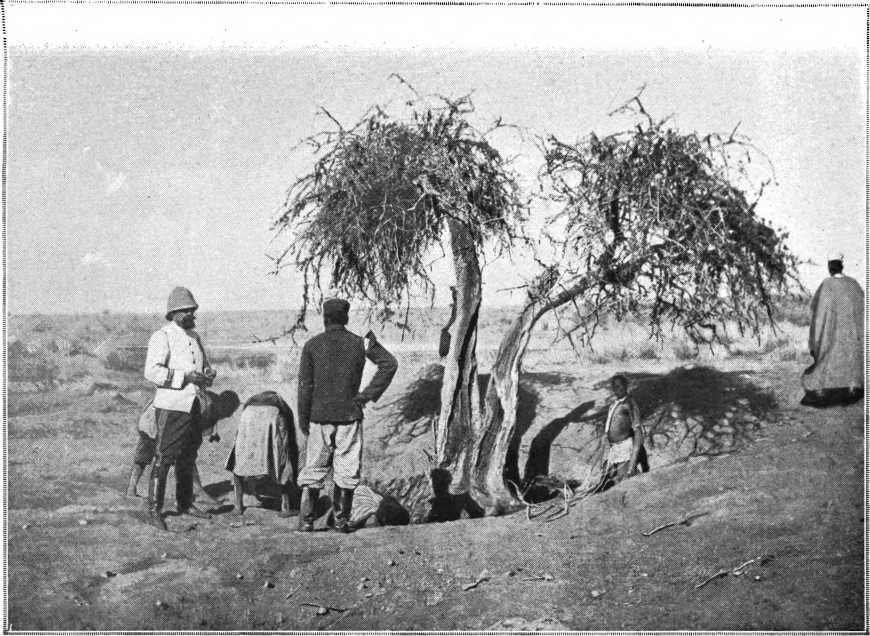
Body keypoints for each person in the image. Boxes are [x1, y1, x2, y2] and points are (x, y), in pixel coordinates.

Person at [296, 297, 398, 533]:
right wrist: (366, 396)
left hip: (319, 417)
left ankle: (307, 520)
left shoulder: (312, 345)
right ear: (346, 318)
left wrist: (303, 418)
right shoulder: (360, 343)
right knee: (347, 469)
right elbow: (390, 364)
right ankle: (342, 521)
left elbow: (304, 386)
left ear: (325, 319)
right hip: (349, 416)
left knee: (314, 468)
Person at [143, 286, 217, 530]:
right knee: (164, 457)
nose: (191, 314)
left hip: (193, 405)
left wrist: (207, 373)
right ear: (173, 313)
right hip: (172, 406)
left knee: (188, 455)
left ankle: (185, 503)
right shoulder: (162, 336)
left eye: (192, 310)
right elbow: (152, 372)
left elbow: (203, 366)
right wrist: (185, 377)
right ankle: (154, 509)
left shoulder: (195, 337)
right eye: (185, 310)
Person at [125, 389, 240, 506]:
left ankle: (132, 488)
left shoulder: (209, 401)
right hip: (160, 420)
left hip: (153, 416)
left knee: (146, 453)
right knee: (180, 458)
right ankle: (194, 493)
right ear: (224, 406)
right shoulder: (208, 407)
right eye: (229, 411)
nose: (229, 415)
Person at [801, 253, 864, 408]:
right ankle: (851, 389)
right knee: (850, 360)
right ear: (841, 266)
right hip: (852, 336)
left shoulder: (827, 285)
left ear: (830, 267)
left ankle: (823, 390)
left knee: (827, 360)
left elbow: (818, 313)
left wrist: (815, 341)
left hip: (831, 335)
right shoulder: (854, 284)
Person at [226, 391, 298, 518]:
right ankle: (285, 508)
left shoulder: (251, 405)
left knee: (240, 456)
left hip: (248, 414)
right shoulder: (282, 407)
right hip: (274, 414)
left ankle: (238, 506)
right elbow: (289, 445)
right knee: (282, 458)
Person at [594, 374, 649, 492]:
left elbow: (638, 432)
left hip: (625, 448)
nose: (617, 389)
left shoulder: (630, 404)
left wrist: (632, 463)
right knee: (608, 478)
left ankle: (643, 487)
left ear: (626, 386)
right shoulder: (614, 404)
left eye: (619, 386)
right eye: (614, 387)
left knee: (625, 480)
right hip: (614, 449)